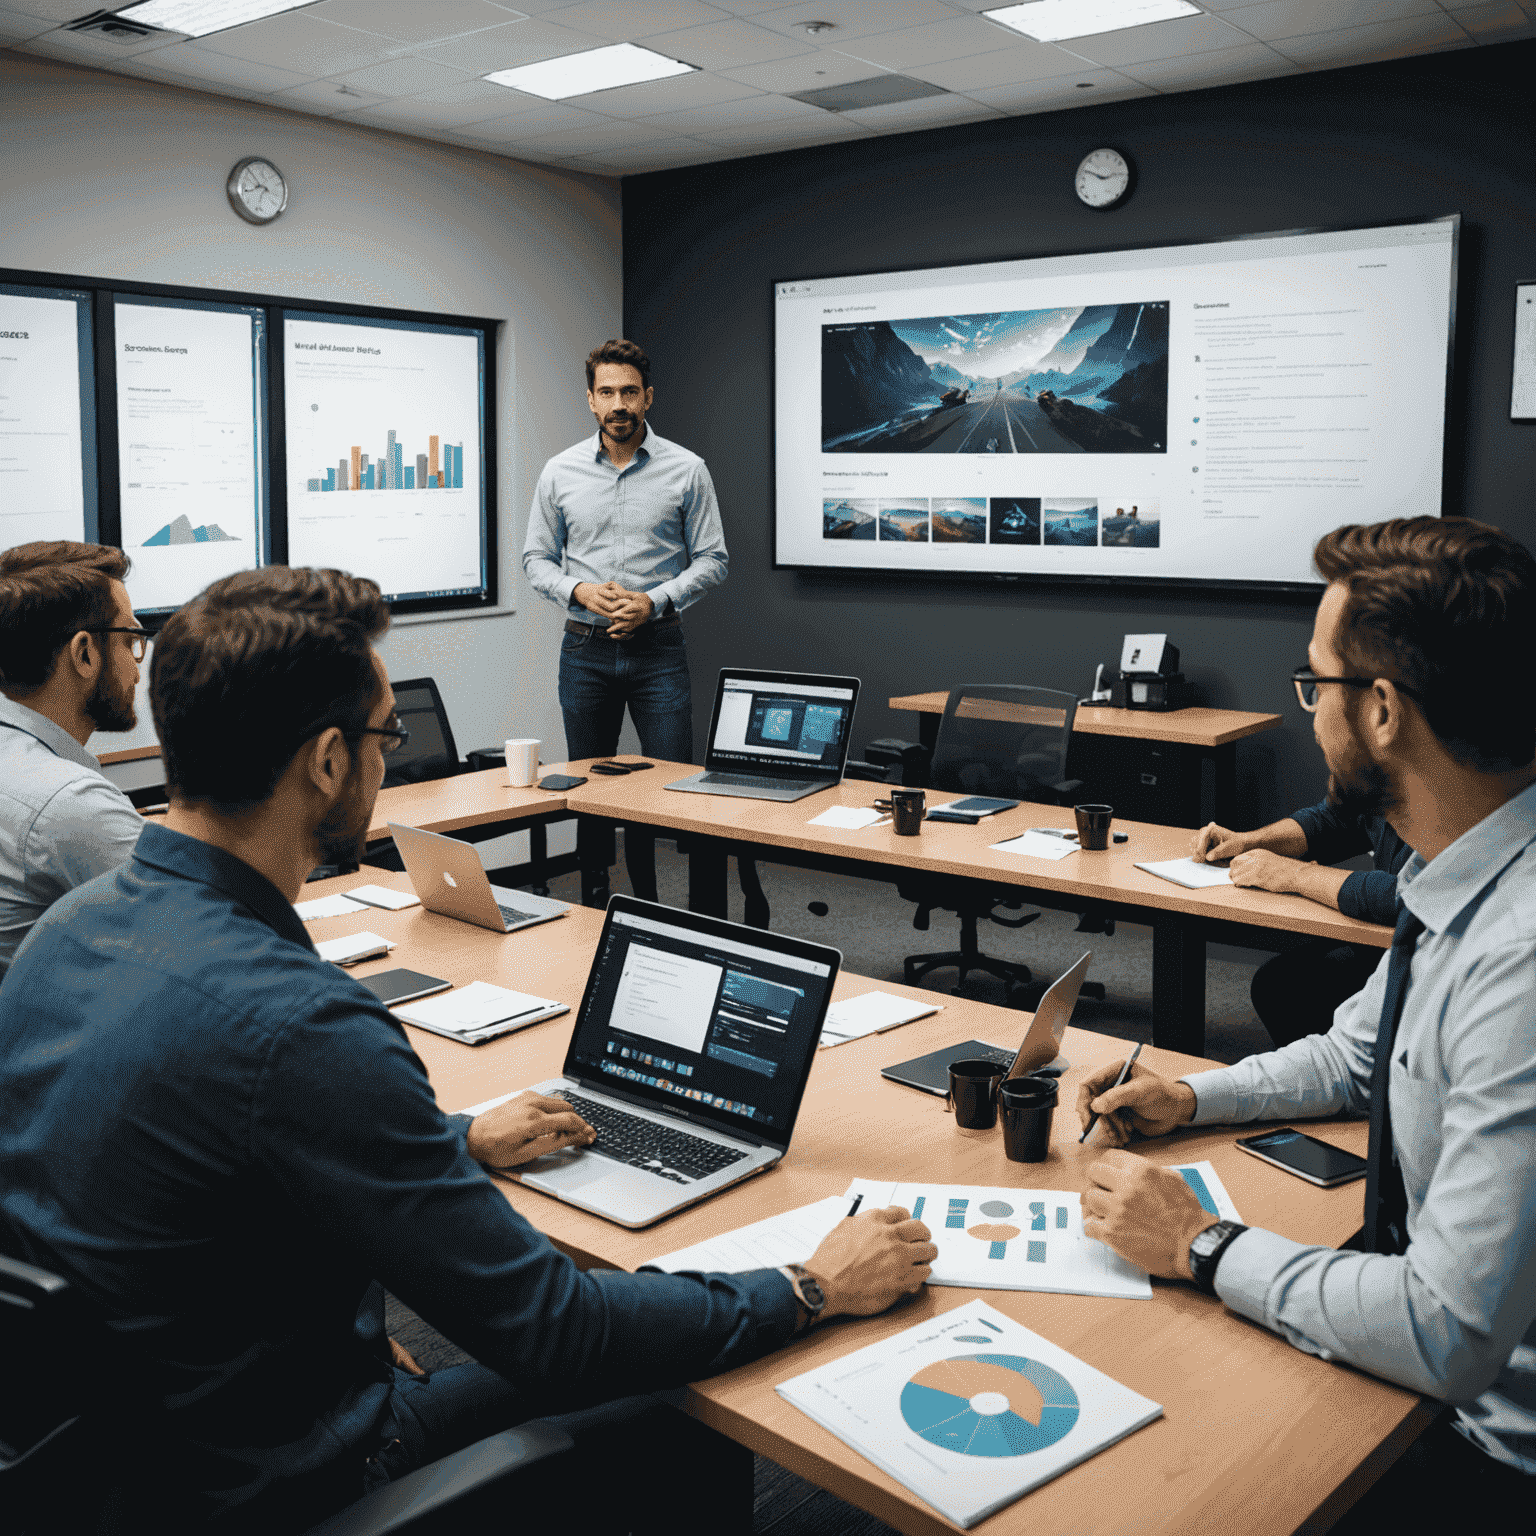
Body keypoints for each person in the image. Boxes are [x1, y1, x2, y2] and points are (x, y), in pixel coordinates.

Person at [0, 565, 934, 1533]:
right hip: (285, 1479)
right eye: (382, 739)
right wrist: (810, 1285)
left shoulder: (63, 934)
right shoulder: (304, 1025)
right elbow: (558, 1334)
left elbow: (180, 1157)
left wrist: (453, 1139)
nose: (382, 764)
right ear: (326, 761)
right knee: (693, 1397)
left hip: (123, 1452)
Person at [1077, 517, 1536, 1512]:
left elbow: (1444, 1334)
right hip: (1416, 1363)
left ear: (1380, 711)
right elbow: (1356, 1059)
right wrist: (1188, 1096)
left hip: (1475, 1456)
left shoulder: (1522, 956)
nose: (1307, 710)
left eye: (1313, 683)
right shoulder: (1461, 866)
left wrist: (1198, 1244)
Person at [522, 338, 727, 900]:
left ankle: (689, 920)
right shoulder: (559, 472)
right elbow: (535, 559)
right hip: (584, 652)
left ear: (648, 398)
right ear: (590, 400)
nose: (619, 404)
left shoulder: (687, 470)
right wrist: (580, 590)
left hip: (657, 649)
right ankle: (596, 913)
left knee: (673, 793)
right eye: (607, 392)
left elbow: (714, 559)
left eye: (629, 392)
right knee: (590, 795)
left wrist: (655, 601)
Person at [0, 540, 148, 978]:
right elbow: (204, 938)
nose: (138, 669)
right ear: (84, 653)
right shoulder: (68, 802)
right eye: (131, 640)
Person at [1190, 798, 1412, 1047]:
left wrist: (1294, 874)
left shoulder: (1446, 796)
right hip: (1395, 943)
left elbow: (1406, 895)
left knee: (1286, 989)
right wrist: (1247, 841)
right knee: (1280, 985)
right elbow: (1331, 819)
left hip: (1429, 956)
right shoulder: (1388, 775)